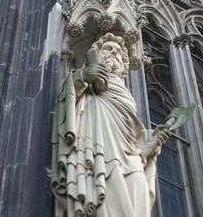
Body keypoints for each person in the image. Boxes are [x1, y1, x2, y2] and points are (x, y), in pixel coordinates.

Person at [51, 33, 170, 217]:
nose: (114, 52)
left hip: (130, 157)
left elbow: (132, 135)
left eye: (119, 53)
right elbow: (66, 102)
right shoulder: (86, 82)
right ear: (97, 54)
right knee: (104, 197)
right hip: (100, 152)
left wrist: (150, 143)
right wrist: (83, 76)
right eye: (108, 48)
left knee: (138, 193)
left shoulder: (127, 94)